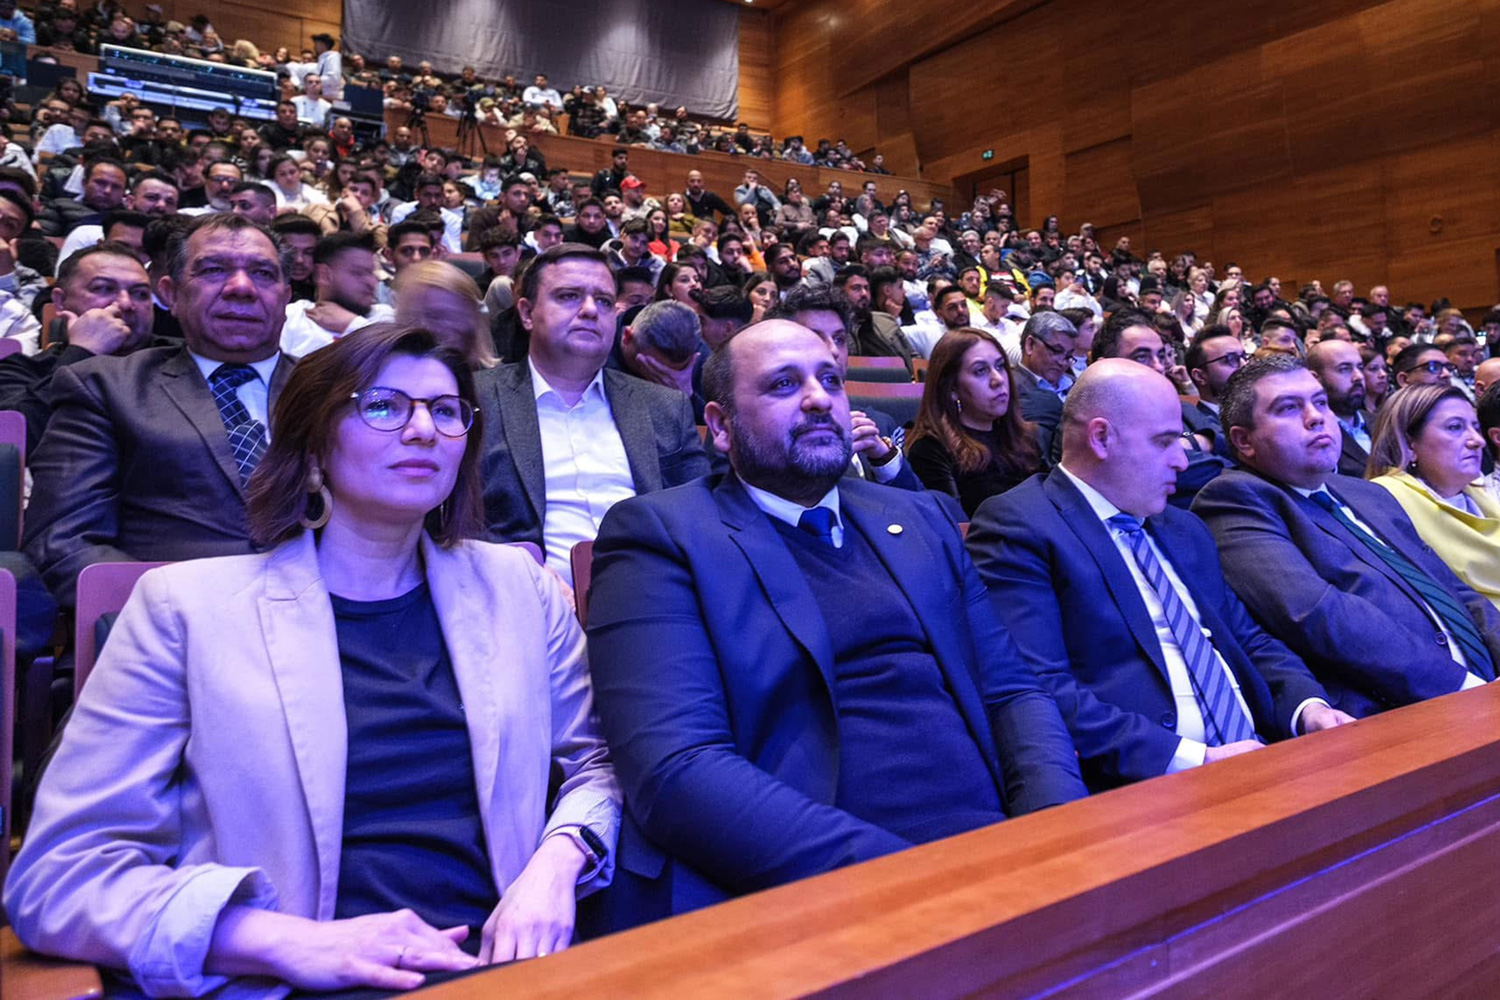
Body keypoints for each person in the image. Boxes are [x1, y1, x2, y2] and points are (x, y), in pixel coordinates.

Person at [5, 325, 621, 994]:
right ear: (314, 442)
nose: (424, 431)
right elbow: (62, 874)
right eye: (384, 406)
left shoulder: (520, 587)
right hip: (296, 979)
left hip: (506, 967)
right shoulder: (183, 609)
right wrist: (285, 943)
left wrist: (559, 863)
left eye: (446, 411)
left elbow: (604, 761)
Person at [583, 319, 1088, 932]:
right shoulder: (660, 535)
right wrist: (920, 881)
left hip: (1006, 865)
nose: (820, 398)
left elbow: (1013, 692)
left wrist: (1057, 835)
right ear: (718, 426)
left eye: (830, 379)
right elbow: (677, 770)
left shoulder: (920, 514)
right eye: (783, 385)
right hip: (819, 892)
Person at [966, 360, 1349, 791]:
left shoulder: (1183, 528)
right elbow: (1040, 686)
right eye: (1165, 442)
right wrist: (1194, 759)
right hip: (1148, 785)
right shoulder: (1021, 525)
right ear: (1101, 438)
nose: (1183, 461)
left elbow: (1249, 638)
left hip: (1263, 758)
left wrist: (1308, 707)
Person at [1192, 355, 1500, 717]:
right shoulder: (1234, 499)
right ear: (1244, 441)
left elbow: (1453, 589)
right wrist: (1462, 685)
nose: (1316, 417)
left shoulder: (1366, 493)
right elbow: (1318, 613)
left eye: (1320, 402)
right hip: (1397, 709)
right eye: (1289, 408)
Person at [22, 214, 297, 609]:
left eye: (263, 273)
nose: (241, 287)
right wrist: (202, 615)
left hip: (334, 633)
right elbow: (63, 544)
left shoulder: (337, 390)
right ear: (169, 293)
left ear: (286, 296)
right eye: (214, 270)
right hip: (167, 635)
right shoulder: (106, 386)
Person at [473, 244, 709, 583]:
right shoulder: (476, 398)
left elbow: (700, 517)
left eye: (603, 301)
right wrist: (524, 576)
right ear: (526, 313)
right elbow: (451, 522)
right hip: (516, 599)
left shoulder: (663, 406)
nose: (589, 310)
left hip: (654, 599)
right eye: (569, 296)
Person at [0, 242, 162, 452]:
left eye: (140, 293)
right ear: (60, 301)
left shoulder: (183, 360)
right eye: (104, 289)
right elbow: (15, 446)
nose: (126, 304)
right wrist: (82, 353)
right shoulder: (21, 370)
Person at [1366, 384, 1500, 610]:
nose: (1477, 440)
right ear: (1409, 444)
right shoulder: (1384, 501)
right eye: (1455, 427)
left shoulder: (1480, 492)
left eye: (1475, 427)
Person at [907, 329, 1041, 514]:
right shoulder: (931, 449)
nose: (998, 380)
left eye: (1001, 366)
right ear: (952, 388)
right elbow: (953, 526)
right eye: (980, 371)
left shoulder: (1024, 436)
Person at [279, 232, 395, 358]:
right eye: (359, 273)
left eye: (371, 273)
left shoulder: (384, 317)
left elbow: (396, 364)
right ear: (324, 274)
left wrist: (353, 325)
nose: (372, 282)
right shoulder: (291, 317)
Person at [394, 260, 497, 370]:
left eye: (436, 316)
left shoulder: (499, 383)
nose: (422, 326)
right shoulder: (385, 377)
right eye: (411, 316)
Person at [1307, 338, 1370, 477]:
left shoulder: (1380, 422)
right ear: (1315, 378)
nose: (1358, 377)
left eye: (1360, 367)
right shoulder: (1310, 433)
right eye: (1344, 369)